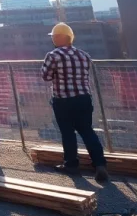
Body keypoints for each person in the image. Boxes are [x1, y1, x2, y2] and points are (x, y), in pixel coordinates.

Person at [42, 23, 109, 182]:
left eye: (53, 36)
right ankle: (99, 164)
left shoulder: (53, 56)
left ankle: (71, 164)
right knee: (87, 130)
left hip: (63, 101)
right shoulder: (84, 55)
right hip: (84, 98)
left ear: (58, 38)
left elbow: (46, 76)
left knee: (68, 133)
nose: (52, 39)